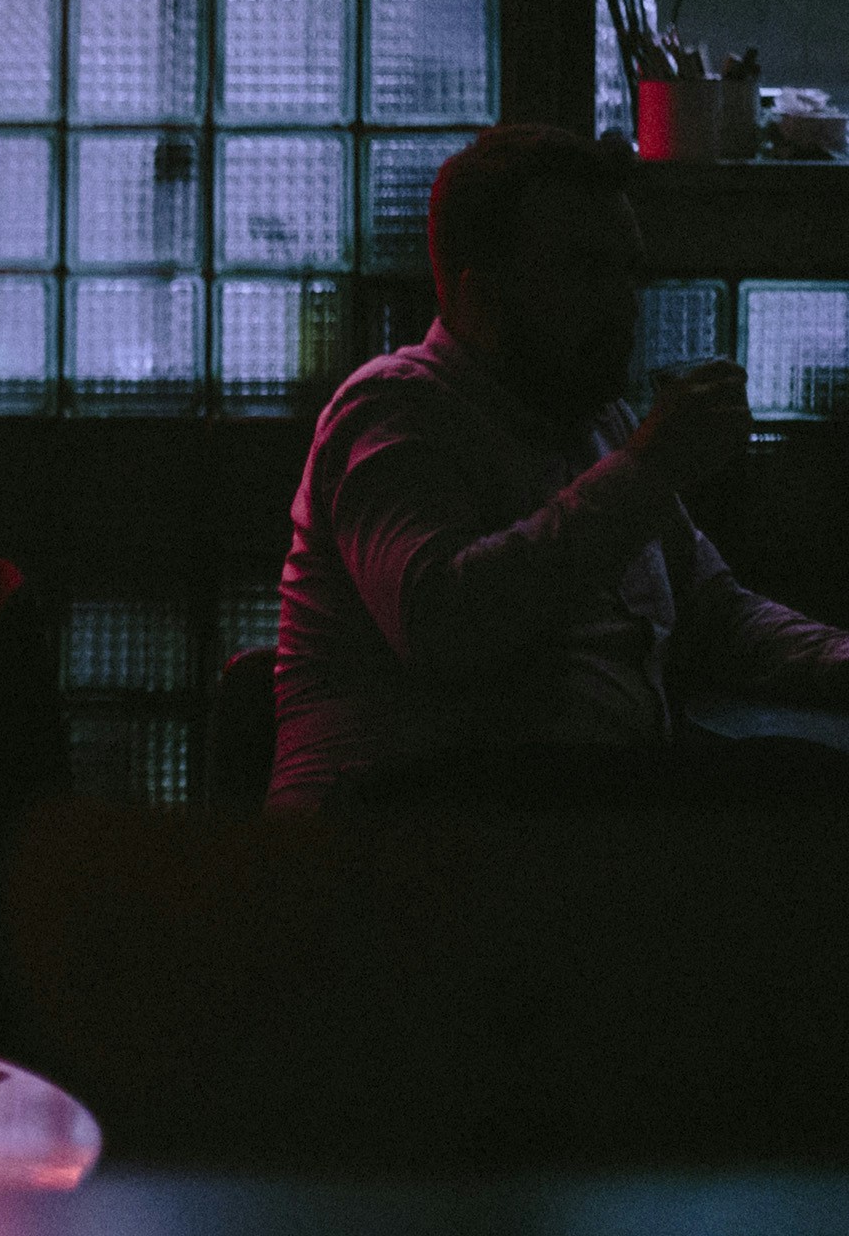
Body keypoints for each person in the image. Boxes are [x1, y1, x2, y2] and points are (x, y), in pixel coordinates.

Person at [273, 124, 849, 814]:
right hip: (395, 844)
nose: (624, 302)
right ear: (481, 298)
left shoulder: (600, 424)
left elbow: (714, 613)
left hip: (559, 836)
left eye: (628, 270)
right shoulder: (392, 410)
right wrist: (646, 470)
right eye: (586, 270)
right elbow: (443, 627)